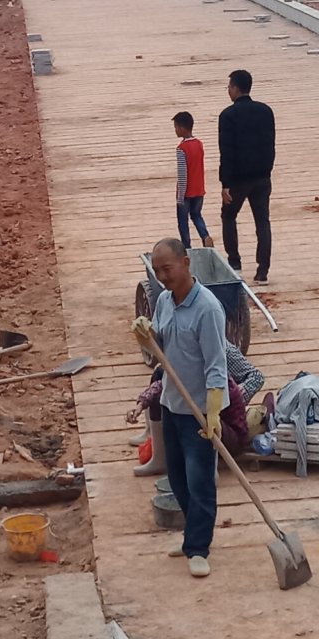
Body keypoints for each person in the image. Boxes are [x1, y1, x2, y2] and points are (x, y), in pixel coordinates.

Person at [132, 237, 228, 578]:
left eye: (167, 269)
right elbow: (161, 345)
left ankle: (199, 548)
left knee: (200, 481)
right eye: (157, 271)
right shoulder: (164, 301)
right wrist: (146, 336)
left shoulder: (208, 309)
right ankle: (191, 538)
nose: (162, 277)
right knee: (177, 478)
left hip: (199, 410)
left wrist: (213, 412)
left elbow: (216, 365)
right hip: (172, 403)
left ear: (186, 263)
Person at [216, 68, 276, 284]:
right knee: (262, 222)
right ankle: (263, 270)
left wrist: (225, 183)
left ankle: (234, 262)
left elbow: (226, 151)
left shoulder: (227, 116)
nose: (228, 91)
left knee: (228, 216)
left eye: (229, 87)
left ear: (235, 88)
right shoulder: (266, 111)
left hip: (238, 180)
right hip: (262, 177)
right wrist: (267, 170)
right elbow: (270, 144)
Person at [172, 111, 212, 250]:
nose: (175, 130)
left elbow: (182, 175)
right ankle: (205, 236)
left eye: (176, 127)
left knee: (183, 222)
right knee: (196, 215)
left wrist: (180, 197)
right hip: (199, 190)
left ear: (182, 128)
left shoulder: (181, 149)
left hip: (186, 193)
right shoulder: (199, 144)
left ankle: (187, 247)